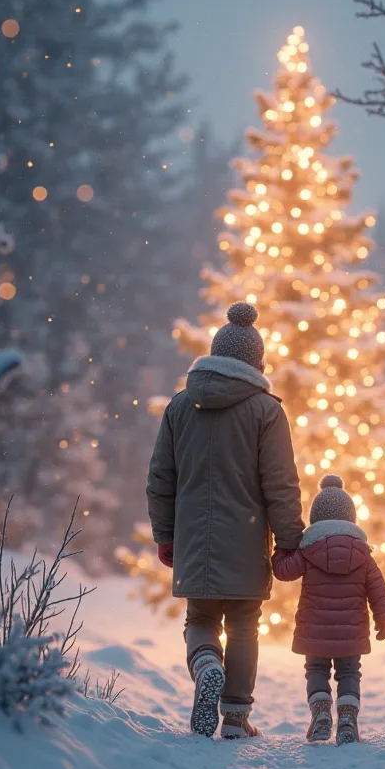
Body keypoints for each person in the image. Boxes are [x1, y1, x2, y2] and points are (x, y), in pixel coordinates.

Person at [147, 301, 304, 739]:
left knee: (199, 619)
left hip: (193, 536)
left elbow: (160, 477)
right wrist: (290, 541)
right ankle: (235, 717)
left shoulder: (180, 406)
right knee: (243, 625)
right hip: (247, 539)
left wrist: (165, 533)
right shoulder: (267, 411)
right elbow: (280, 483)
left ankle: (205, 665)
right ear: (257, 362)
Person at [272, 474, 385, 745]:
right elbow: (379, 590)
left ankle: (321, 712)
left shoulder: (308, 550)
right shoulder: (363, 554)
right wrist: (383, 618)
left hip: (314, 633)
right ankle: (348, 718)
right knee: (349, 673)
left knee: (316, 671)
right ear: (351, 518)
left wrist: (281, 549)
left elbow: (282, 572)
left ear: (316, 519)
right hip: (351, 634)